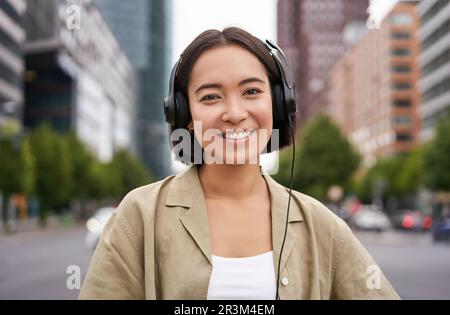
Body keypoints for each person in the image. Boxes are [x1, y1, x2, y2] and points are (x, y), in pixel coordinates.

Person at [79, 27, 400, 300]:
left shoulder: (320, 224)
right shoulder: (140, 215)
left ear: (277, 104)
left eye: (251, 91)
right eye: (210, 97)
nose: (233, 112)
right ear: (184, 116)